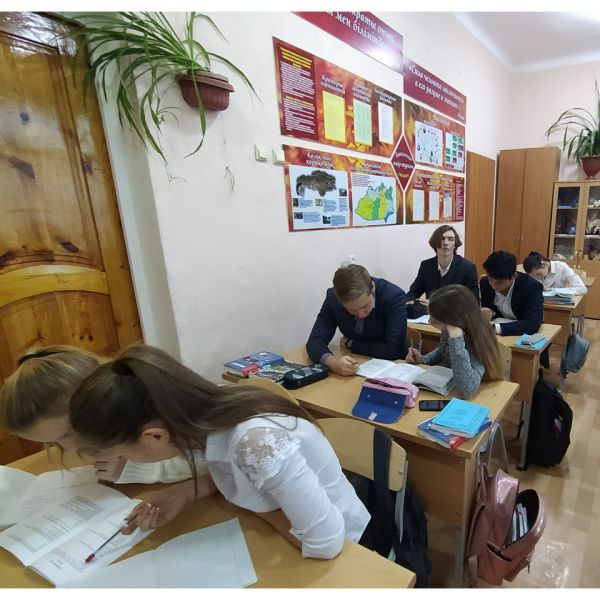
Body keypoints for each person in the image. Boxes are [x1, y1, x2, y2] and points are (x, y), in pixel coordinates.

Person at [68, 344, 371, 560]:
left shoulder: (255, 443)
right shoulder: (203, 414)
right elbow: (236, 472)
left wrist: (259, 510)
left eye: (121, 453)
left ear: (154, 436)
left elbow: (326, 543)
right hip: (302, 530)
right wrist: (184, 493)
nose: (123, 460)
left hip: (351, 549)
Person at [0, 346, 199, 484]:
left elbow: (210, 463)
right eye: (52, 443)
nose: (68, 450)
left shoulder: (154, 409)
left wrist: (141, 471)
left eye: (68, 434)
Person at [306, 263, 408, 376]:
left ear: (372, 289)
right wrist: (333, 363)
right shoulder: (333, 298)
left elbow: (394, 350)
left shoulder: (394, 296)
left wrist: (351, 343)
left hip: (392, 369)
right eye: (351, 310)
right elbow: (315, 341)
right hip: (357, 365)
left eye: (365, 306)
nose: (360, 314)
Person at [405, 285, 503, 399]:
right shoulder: (450, 329)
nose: (429, 322)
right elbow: (444, 349)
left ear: (455, 321)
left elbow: (466, 390)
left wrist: (456, 339)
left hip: (478, 395)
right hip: (449, 387)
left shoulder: (478, 340)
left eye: (436, 321)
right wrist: (423, 359)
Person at [406, 225, 479, 319]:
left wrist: (436, 306)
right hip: (430, 318)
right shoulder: (426, 266)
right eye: (442, 239)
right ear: (435, 243)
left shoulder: (467, 268)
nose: (446, 243)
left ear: (455, 244)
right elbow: (413, 292)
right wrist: (410, 301)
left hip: (456, 318)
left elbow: (473, 302)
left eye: (450, 239)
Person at [480, 250, 543, 336]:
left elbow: (532, 324)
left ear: (514, 276)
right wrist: (491, 312)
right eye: (490, 279)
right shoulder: (485, 283)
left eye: (499, 282)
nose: (493, 285)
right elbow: (490, 309)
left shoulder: (531, 287)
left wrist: (494, 328)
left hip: (522, 334)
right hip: (496, 335)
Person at [523, 251, 587, 295]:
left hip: (556, 306)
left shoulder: (561, 267)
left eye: (538, 274)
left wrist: (556, 291)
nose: (537, 278)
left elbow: (582, 289)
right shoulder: (531, 271)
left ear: (543, 265)